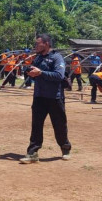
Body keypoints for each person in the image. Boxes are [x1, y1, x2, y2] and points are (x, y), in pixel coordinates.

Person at [20, 34, 71, 164]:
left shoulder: (57, 57)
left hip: (54, 97)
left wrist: (41, 73)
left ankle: (65, 148)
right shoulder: (37, 59)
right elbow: (34, 75)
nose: (35, 46)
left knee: (59, 125)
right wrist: (30, 73)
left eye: (38, 43)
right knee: (36, 125)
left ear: (46, 44)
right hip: (39, 97)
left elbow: (59, 76)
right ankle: (32, 153)